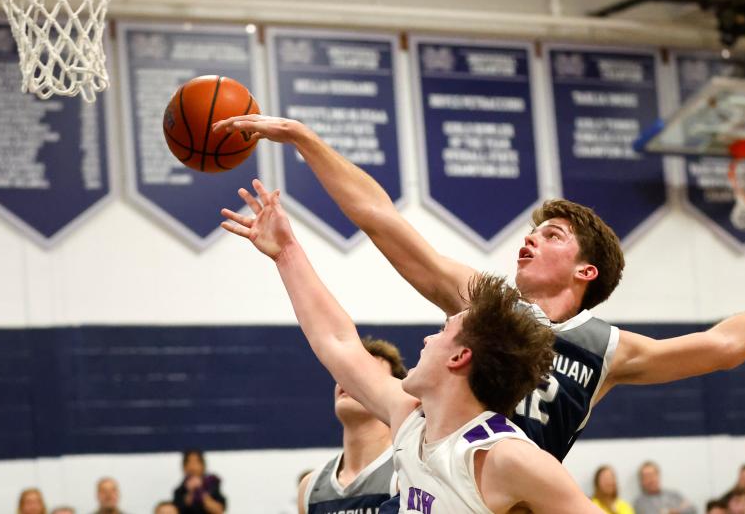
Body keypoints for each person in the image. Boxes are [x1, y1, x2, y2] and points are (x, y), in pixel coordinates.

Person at [213, 116, 745, 461]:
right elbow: (380, 219)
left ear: (587, 272)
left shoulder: (607, 349)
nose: (530, 239)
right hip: (440, 479)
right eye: (533, 232)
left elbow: (723, 344)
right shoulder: (485, 304)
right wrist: (303, 140)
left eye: (552, 235)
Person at [220, 180, 598, 513]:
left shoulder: (504, 457)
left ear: (460, 356)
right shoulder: (412, 422)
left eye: (444, 329)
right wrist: (286, 252)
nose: (427, 338)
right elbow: (337, 342)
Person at [298, 337, 407, 514]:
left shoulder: (408, 471)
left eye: (365, 373)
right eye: (345, 372)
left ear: (392, 394)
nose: (350, 379)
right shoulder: (310, 487)